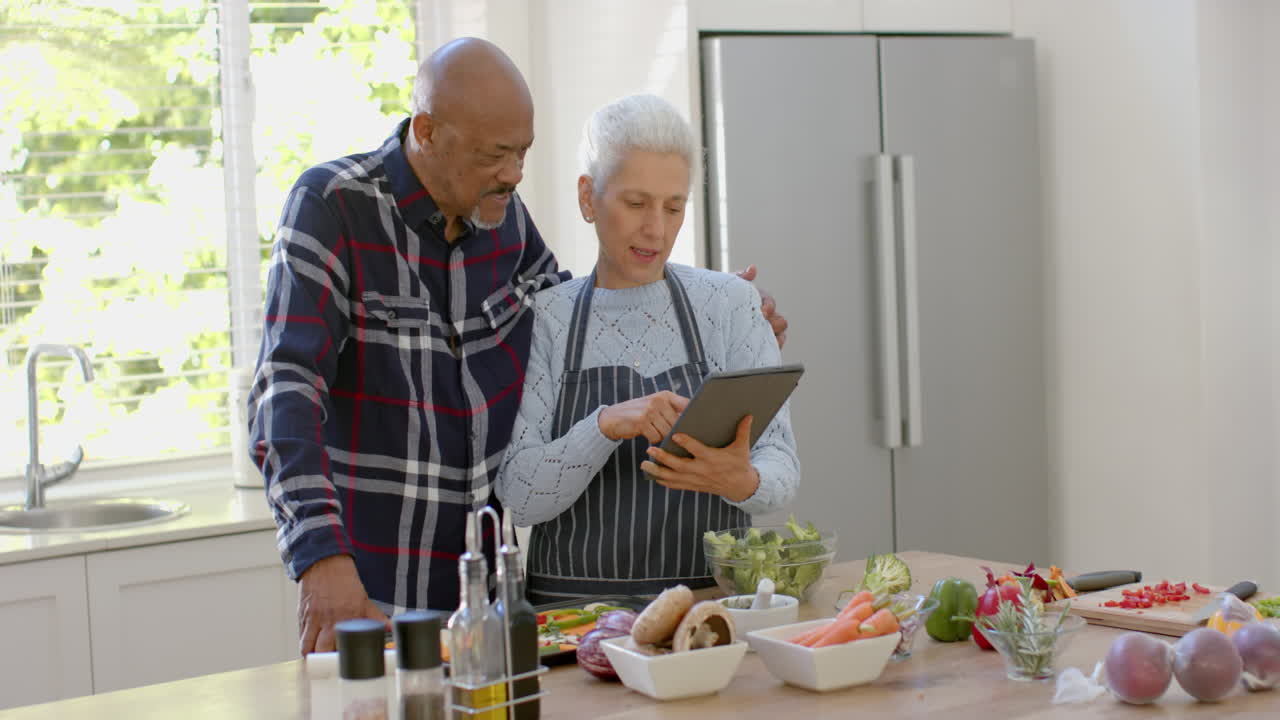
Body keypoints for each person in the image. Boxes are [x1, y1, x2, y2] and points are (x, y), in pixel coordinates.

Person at [248, 39, 788, 654]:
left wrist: (728, 314)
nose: (514, 174)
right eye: (495, 155)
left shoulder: (502, 214)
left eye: (523, 153)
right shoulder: (334, 206)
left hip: (488, 597)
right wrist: (321, 558)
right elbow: (282, 391)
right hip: (372, 586)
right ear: (427, 131)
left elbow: (572, 318)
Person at [495, 94, 800, 602]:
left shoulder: (729, 305)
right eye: (636, 203)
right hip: (571, 621)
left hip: (709, 613)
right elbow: (521, 497)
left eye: (673, 206)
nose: (656, 228)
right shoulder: (547, 316)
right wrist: (604, 426)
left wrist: (740, 480)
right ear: (589, 198)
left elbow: (783, 470)